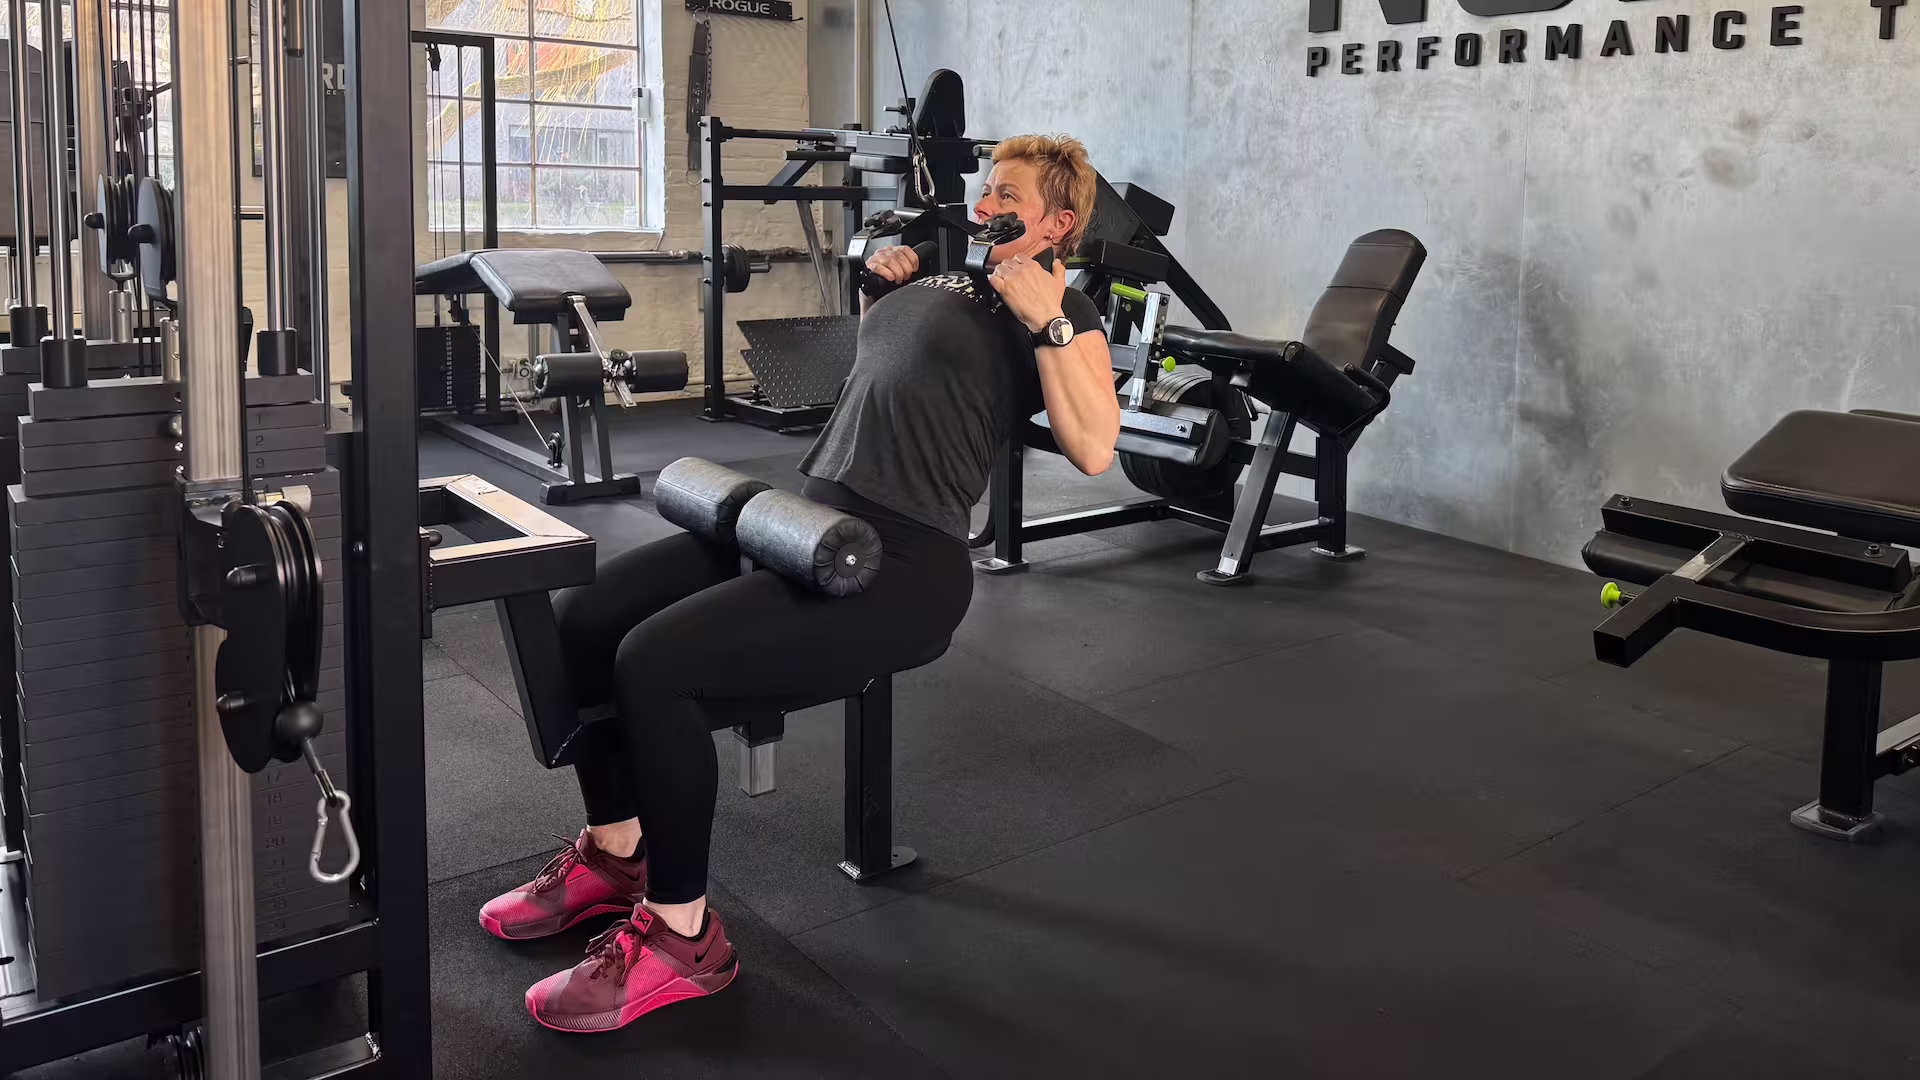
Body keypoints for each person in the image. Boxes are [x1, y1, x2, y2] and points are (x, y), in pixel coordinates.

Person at [482, 134, 1120, 1034]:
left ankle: (680, 938)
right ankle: (617, 848)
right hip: (805, 518)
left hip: (899, 562)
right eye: (985, 188)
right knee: (584, 619)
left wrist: (1049, 318)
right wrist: (878, 294)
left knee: (656, 664)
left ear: (1056, 221)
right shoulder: (940, 277)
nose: (983, 204)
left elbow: (1095, 447)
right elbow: (892, 378)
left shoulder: (1067, 309)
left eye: (1005, 193)